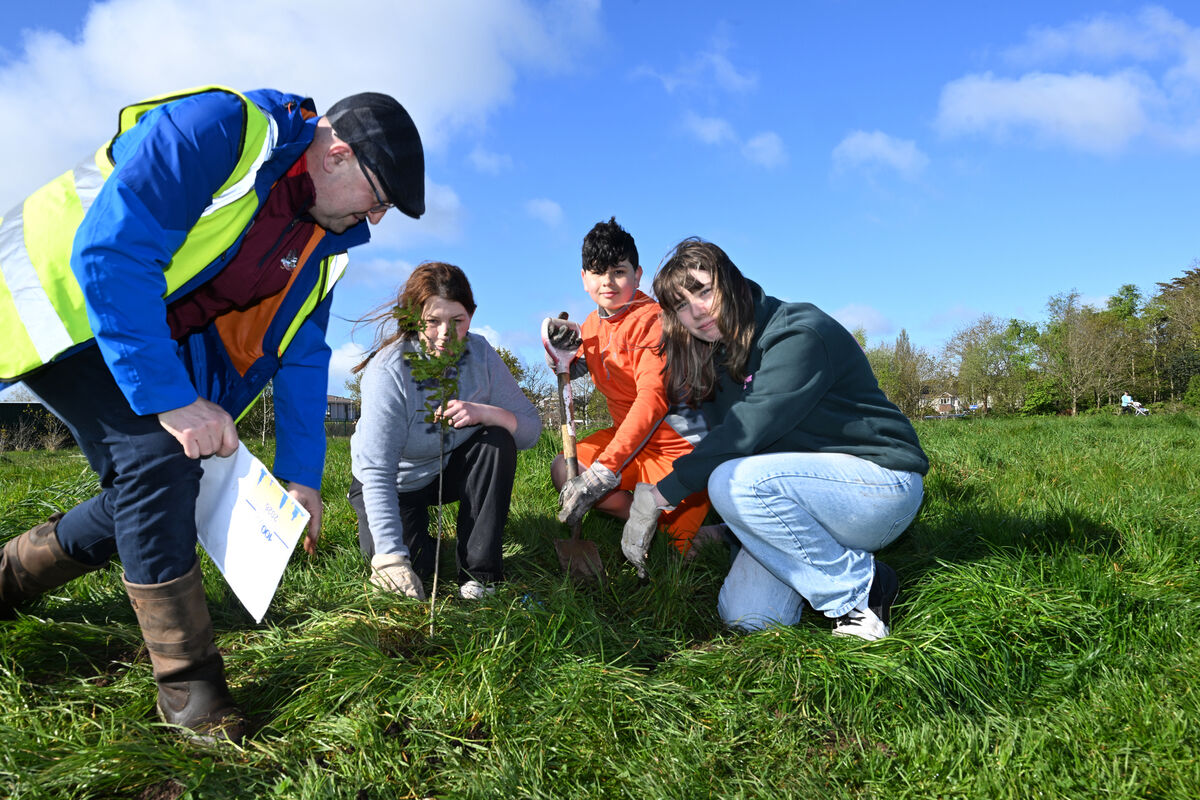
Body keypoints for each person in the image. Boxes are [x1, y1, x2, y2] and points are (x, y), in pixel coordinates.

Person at [0, 86, 425, 742]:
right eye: (381, 196)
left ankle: (8, 577)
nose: (379, 216)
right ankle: (190, 691)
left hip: (132, 326)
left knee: (164, 485)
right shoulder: (223, 129)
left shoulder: (322, 244)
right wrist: (173, 398)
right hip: (59, 301)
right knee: (158, 460)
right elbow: (111, 254)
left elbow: (305, 358)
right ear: (337, 155)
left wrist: (301, 477)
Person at [621, 238, 929, 641]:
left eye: (703, 291)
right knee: (748, 616)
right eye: (681, 305)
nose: (696, 311)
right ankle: (846, 567)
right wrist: (736, 533)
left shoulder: (798, 332)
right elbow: (747, 456)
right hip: (804, 498)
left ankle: (861, 592)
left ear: (730, 281)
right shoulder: (716, 359)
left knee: (728, 480)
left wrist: (659, 495)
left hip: (880, 486)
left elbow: (744, 434)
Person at [348, 262, 541, 601]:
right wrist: (392, 559)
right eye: (433, 322)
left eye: (458, 321)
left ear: (472, 315)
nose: (445, 335)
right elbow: (378, 472)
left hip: (443, 469)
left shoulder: (481, 354)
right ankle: (419, 546)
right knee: (416, 570)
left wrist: (485, 412)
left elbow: (530, 431)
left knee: (496, 441)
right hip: (393, 484)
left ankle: (480, 575)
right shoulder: (389, 371)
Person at [548, 218, 721, 555]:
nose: (608, 282)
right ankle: (644, 521)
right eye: (598, 272)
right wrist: (564, 355)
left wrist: (605, 469)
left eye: (619, 271)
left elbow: (651, 400)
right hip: (627, 440)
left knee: (680, 554)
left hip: (677, 447)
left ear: (637, 275)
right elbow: (588, 360)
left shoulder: (653, 320)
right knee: (565, 471)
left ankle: (717, 531)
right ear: (584, 279)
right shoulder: (591, 324)